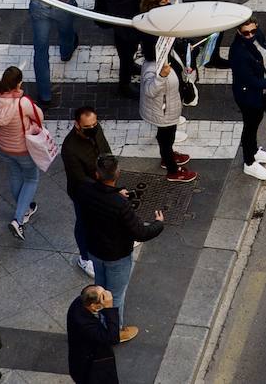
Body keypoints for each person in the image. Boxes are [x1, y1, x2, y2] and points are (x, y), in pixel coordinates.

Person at [78, 154, 164, 332]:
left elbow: (98, 196)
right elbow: (140, 233)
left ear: (97, 174)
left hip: (95, 249)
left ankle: (102, 320)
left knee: (101, 287)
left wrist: (115, 192)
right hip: (117, 255)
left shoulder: (85, 191)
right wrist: (158, 224)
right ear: (117, 173)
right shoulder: (120, 204)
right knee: (115, 295)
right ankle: (114, 331)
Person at [139, 0, 198, 182]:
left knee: (167, 135)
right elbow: (150, 90)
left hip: (167, 106)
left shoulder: (163, 49)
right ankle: (172, 170)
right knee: (166, 137)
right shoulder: (153, 67)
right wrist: (162, 76)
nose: (169, 4)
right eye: (165, 1)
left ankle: (168, 156)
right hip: (163, 109)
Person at [0, 67, 43, 239]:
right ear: (18, 83)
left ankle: (25, 209)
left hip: (3, 147)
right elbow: (39, 117)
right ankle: (18, 219)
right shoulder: (22, 103)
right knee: (31, 179)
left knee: (15, 175)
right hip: (23, 148)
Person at [99, 0, 165, 96]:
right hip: (126, 17)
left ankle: (130, 66)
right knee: (127, 49)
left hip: (123, 12)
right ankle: (125, 85)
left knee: (128, 48)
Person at [229, 17, 266, 180]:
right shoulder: (238, 52)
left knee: (255, 124)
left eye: (253, 31)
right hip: (248, 96)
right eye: (245, 33)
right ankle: (249, 162)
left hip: (262, 91)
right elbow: (250, 81)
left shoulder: (258, 35)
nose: (250, 35)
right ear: (238, 31)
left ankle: (254, 152)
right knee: (250, 128)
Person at [61, 107, 111, 279]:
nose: (93, 128)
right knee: (83, 224)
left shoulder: (96, 129)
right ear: (77, 124)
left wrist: (110, 174)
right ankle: (84, 258)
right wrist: (103, 186)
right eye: (87, 126)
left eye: (94, 124)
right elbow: (79, 178)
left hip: (103, 183)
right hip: (83, 192)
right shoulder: (70, 148)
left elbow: (105, 149)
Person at [67, 285, 122, 383]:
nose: (107, 298)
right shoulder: (84, 323)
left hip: (82, 358)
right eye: (103, 298)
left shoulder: (80, 302)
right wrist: (109, 308)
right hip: (91, 365)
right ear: (93, 306)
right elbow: (112, 338)